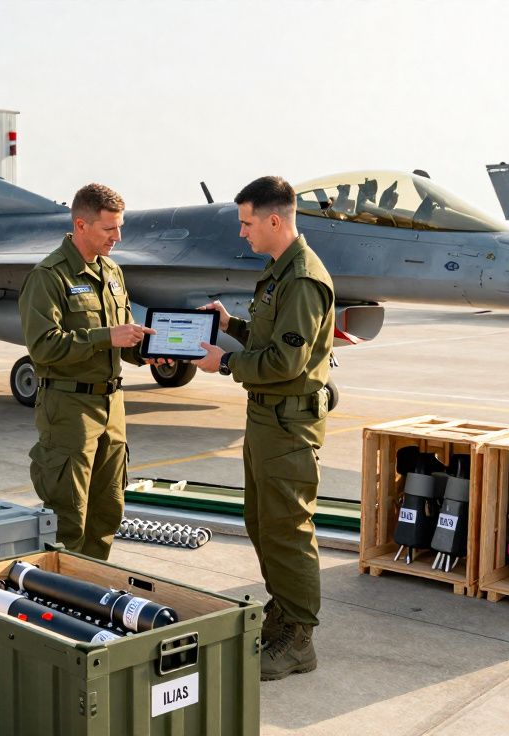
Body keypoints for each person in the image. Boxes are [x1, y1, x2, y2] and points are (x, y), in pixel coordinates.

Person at [193, 175, 336, 681]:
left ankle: (299, 640)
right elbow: (268, 338)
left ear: (275, 220)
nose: (242, 233)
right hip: (267, 420)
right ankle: (281, 615)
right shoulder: (280, 272)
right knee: (263, 525)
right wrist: (231, 326)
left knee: (288, 531)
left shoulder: (302, 279)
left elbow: (286, 363)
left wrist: (225, 365)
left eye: (247, 223)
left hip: (287, 422)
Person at [19, 183, 160, 560]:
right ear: (81, 225)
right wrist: (105, 336)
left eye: (119, 227)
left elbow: (120, 336)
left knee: (107, 509)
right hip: (69, 407)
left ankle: (94, 589)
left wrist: (146, 352)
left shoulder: (112, 272)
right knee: (69, 516)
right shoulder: (49, 277)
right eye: (108, 229)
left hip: (112, 406)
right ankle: (61, 600)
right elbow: (44, 346)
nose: (118, 237)